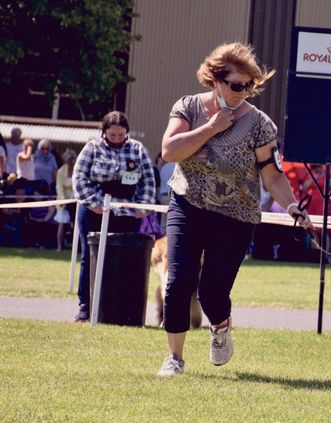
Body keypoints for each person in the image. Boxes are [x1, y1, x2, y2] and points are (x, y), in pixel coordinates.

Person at [157, 42, 312, 377]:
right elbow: (169, 151)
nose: (243, 92)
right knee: (178, 278)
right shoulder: (188, 107)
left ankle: (221, 327)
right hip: (187, 203)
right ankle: (175, 358)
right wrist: (211, 127)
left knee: (212, 291)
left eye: (248, 86)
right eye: (236, 85)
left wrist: (292, 206)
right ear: (215, 80)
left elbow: (272, 175)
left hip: (235, 215)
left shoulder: (259, 124)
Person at [72, 111, 156, 322]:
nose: (117, 139)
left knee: (126, 258)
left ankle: (121, 307)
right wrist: (95, 202)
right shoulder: (92, 148)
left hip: (127, 210)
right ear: (104, 132)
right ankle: (86, 307)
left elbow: (148, 180)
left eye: (120, 134)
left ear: (126, 131)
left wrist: (142, 205)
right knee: (90, 257)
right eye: (112, 135)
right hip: (95, 210)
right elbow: (79, 177)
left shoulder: (137, 149)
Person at [55, 150, 77, 251]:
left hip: (76, 200)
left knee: (76, 224)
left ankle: (75, 248)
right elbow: (59, 187)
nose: (71, 165)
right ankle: (59, 247)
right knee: (62, 223)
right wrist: (63, 201)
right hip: (64, 200)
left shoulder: (78, 169)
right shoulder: (60, 171)